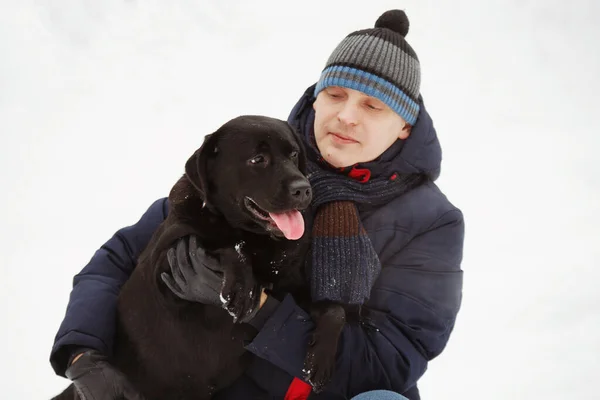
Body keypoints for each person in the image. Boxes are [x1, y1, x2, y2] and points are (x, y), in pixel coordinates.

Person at [50, 10, 464, 400]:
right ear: (315, 99)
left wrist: (259, 309)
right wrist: (83, 357)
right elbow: (118, 258)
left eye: (373, 105)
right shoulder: (249, 161)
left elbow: (388, 362)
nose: (347, 116)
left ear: (405, 125)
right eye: (335, 95)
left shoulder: (431, 222)